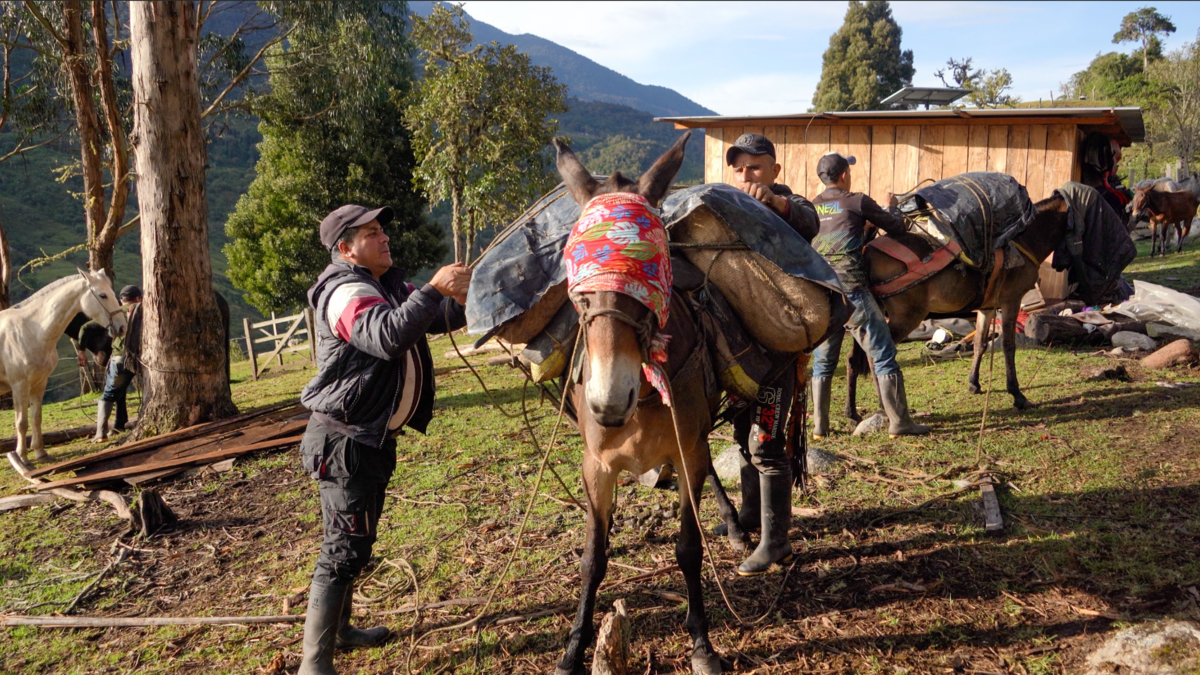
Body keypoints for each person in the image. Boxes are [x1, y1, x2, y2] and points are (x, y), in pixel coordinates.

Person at [297, 204, 471, 675]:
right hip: (344, 441)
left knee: (357, 542)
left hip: (365, 438)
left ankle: (342, 631)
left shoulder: (387, 286)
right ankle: (314, 666)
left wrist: (462, 295)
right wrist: (434, 288)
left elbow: (435, 318)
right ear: (346, 248)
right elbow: (387, 335)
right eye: (371, 233)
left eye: (382, 230)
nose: (385, 238)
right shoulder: (345, 291)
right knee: (342, 549)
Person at [718, 133, 819, 576]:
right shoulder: (725, 207)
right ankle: (749, 515)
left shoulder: (791, 205)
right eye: (739, 169)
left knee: (767, 443)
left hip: (778, 346)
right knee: (742, 436)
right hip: (737, 347)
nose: (746, 176)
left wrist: (775, 205)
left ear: (774, 171)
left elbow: (812, 220)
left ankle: (776, 542)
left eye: (755, 167)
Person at [809, 152, 929, 439]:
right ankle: (900, 423)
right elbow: (897, 227)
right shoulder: (857, 200)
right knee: (884, 353)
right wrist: (891, 207)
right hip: (852, 294)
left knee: (823, 362)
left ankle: (819, 428)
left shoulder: (811, 206)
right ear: (843, 175)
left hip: (821, 292)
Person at [727, 132, 820, 241]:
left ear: (774, 171)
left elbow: (811, 223)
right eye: (738, 170)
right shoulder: (729, 206)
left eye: (753, 168)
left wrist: (775, 202)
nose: (744, 178)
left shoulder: (792, 202)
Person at [92, 285, 143, 441]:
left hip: (120, 359)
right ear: (137, 298)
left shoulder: (117, 313)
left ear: (122, 300)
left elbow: (97, 329)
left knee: (109, 394)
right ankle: (119, 425)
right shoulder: (145, 309)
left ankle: (100, 433)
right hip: (143, 359)